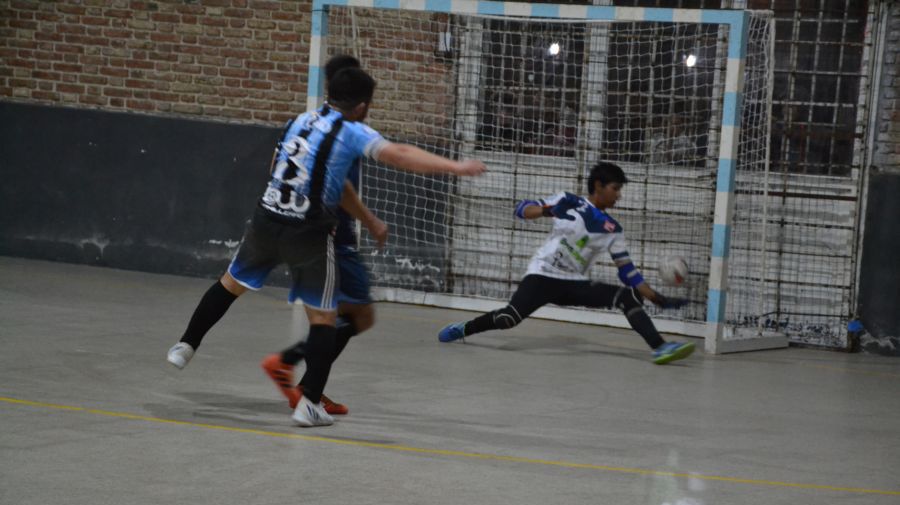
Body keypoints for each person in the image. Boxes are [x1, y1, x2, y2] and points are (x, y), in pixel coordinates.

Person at [168, 67, 486, 427]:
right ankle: (309, 405)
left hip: (267, 217)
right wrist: (456, 166)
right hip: (307, 230)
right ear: (363, 106)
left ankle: (185, 345)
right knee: (323, 316)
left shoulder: (299, 120)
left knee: (229, 284)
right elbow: (398, 153)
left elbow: (277, 167)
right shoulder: (352, 131)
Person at [437, 161, 695, 365]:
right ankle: (464, 329)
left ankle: (660, 348)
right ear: (599, 185)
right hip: (542, 275)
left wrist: (656, 298)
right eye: (615, 188)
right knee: (508, 318)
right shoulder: (567, 200)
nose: (619, 195)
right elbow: (521, 209)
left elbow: (628, 272)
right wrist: (548, 210)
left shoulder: (613, 229)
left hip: (574, 284)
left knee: (627, 296)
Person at [268, 54, 378, 417]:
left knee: (337, 315)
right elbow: (342, 187)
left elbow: (275, 170)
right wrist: (371, 221)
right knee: (357, 317)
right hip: (334, 235)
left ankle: (307, 383)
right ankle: (297, 374)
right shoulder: (345, 131)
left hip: (300, 230)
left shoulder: (306, 123)